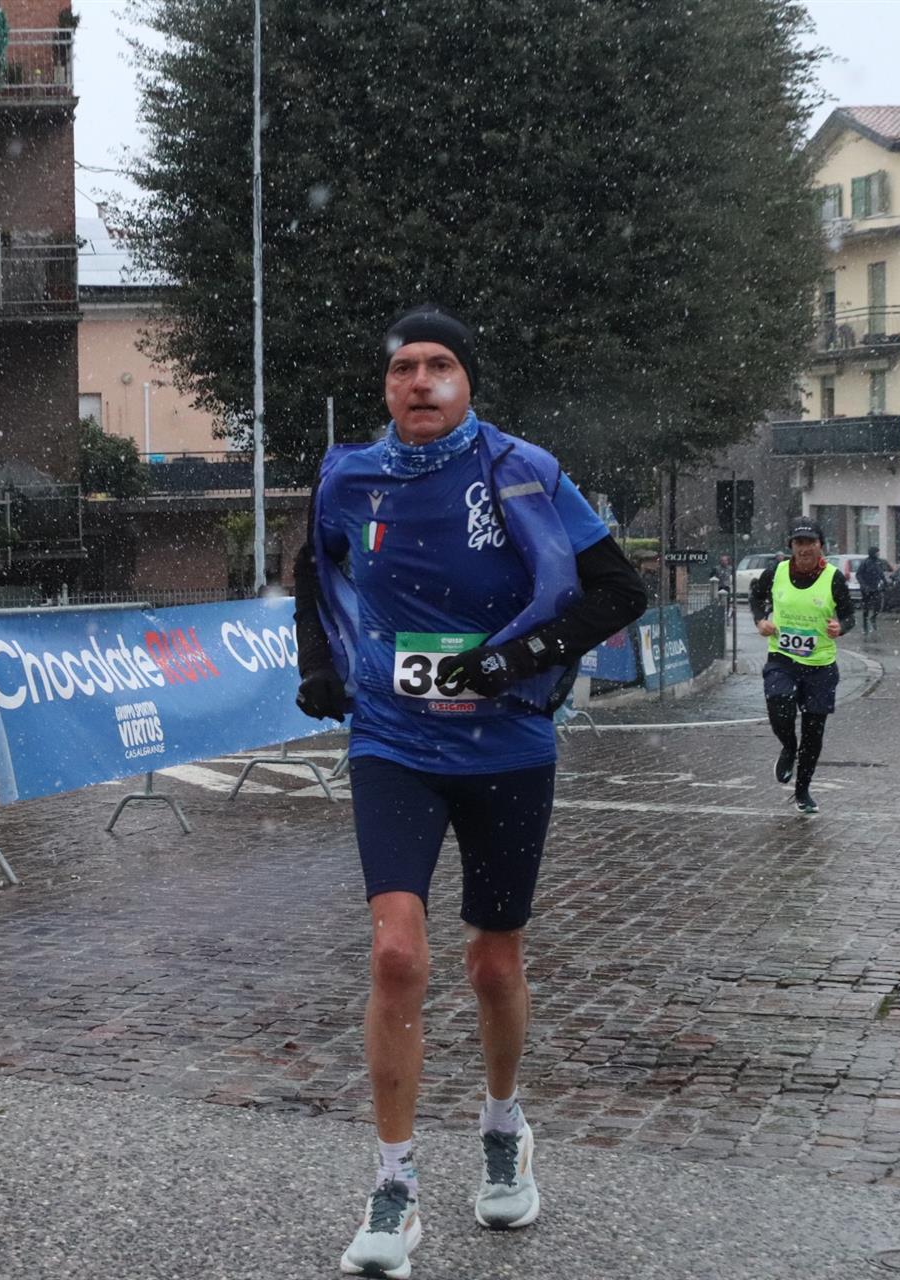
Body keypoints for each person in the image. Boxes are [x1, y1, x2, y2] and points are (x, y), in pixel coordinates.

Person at [292, 304, 647, 1279]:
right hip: (395, 741)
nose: (419, 381)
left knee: (493, 962)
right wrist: (320, 663)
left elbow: (619, 590)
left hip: (508, 746)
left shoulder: (523, 470)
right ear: (386, 386)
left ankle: (502, 1126)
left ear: (467, 382)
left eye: (439, 364)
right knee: (396, 951)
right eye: (402, 366)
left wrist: (513, 659)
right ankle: (394, 1187)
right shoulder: (348, 476)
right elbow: (313, 566)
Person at [751, 522, 853, 814]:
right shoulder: (776, 572)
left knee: (813, 731)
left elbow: (848, 615)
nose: (804, 549)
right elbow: (757, 597)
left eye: (810, 542)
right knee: (779, 704)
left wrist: (840, 627)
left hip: (820, 665)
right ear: (791, 546)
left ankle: (802, 791)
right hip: (782, 658)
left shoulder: (833, 577)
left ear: (821, 545)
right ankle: (788, 745)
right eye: (799, 543)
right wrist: (761, 620)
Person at [856, 545, 887, 633]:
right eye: (877, 552)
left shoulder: (879, 562)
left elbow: (881, 573)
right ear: (873, 553)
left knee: (878, 605)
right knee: (866, 608)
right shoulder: (865, 562)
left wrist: (885, 582)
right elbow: (858, 575)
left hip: (875, 588)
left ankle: (873, 618)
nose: (878, 554)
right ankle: (865, 625)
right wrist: (864, 585)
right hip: (866, 589)